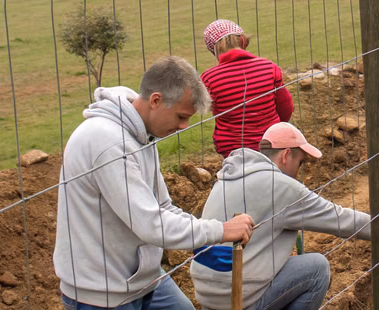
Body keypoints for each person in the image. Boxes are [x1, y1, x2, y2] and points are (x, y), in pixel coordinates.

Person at [54, 56, 255, 310]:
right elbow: (150, 223)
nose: (183, 127)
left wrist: (200, 240)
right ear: (156, 100)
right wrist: (220, 230)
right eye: (181, 117)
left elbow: (162, 206)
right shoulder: (108, 143)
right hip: (101, 293)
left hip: (142, 279)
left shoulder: (142, 135)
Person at [191, 122, 379, 310]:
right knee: (317, 269)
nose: (299, 171)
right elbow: (339, 219)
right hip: (237, 298)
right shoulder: (281, 186)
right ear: (286, 155)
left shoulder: (228, 177)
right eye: (300, 162)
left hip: (207, 294)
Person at [200, 19, 294, 157]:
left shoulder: (209, 78)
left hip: (234, 151)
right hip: (270, 145)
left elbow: (206, 107)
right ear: (243, 41)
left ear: (213, 50)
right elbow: (286, 107)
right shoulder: (268, 67)